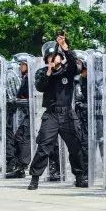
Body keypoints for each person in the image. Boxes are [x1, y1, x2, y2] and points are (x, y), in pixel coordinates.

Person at [27, 34, 86, 190]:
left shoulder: (68, 70)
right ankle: (35, 178)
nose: (53, 59)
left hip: (67, 114)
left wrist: (65, 47)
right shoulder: (42, 72)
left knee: (76, 146)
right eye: (50, 58)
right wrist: (49, 71)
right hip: (51, 114)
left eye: (56, 57)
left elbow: (75, 64)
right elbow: (40, 87)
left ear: (61, 57)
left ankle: (80, 176)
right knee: (44, 146)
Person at [4, 54, 32, 179]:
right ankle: (19, 167)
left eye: (22, 64)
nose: (20, 67)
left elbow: (33, 98)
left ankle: (21, 166)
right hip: (27, 113)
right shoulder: (26, 78)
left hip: (33, 114)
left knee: (23, 138)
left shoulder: (31, 78)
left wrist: (19, 101)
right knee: (19, 137)